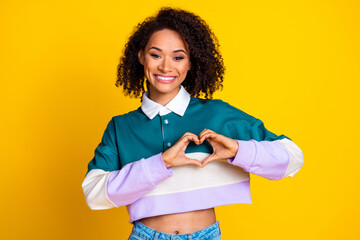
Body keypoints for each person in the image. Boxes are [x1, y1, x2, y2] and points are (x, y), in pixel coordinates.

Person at [82, 7, 304, 240]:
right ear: (141, 56)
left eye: (178, 57)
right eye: (156, 55)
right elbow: (93, 194)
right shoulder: (121, 127)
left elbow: (293, 158)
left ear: (190, 63)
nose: (166, 67)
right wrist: (161, 163)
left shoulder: (217, 114)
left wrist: (239, 150)